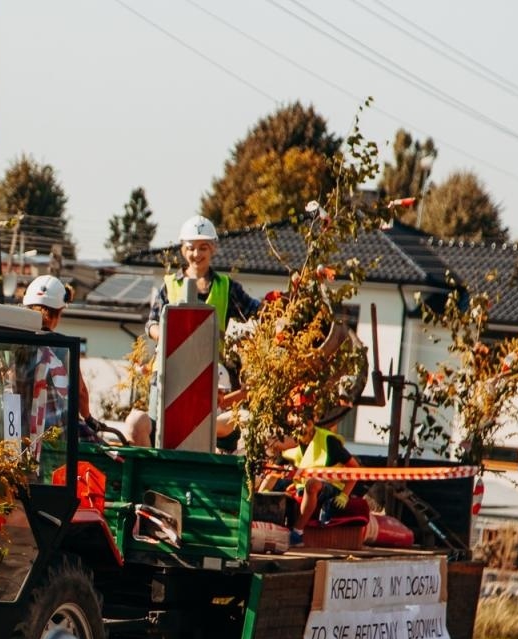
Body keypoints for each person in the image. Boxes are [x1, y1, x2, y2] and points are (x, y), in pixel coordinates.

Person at [137, 216, 263, 448]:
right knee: (160, 431)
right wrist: (166, 336)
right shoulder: (169, 285)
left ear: (213, 248)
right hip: (166, 371)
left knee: (205, 435)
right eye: (191, 248)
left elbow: (256, 311)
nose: (197, 254)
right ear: (183, 250)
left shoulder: (227, 287)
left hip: (209, 373)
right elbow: (151, 323)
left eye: (203, 248)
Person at [262, 423, 362, 545]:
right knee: (280, 487)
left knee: (312, 484)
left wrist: (344, 495)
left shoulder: (328, 441)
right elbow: (273, 472)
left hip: (333, 487)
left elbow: (355, 468)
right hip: (304, 487)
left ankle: (297, 533)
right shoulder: (291, 446)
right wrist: (262, 495)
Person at [20, 275, 89, 431]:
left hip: (18, 430)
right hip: (54, 435)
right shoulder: (62, 348)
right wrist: (89, 418)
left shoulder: (14, 343)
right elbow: (81, 393)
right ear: (58, 313)